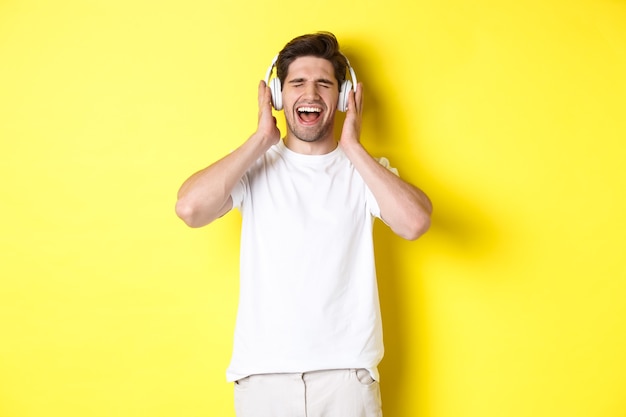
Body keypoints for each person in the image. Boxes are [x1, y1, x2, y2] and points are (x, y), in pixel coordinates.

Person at [175, 32, 432, 417]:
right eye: (297, 83)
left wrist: (355, 148)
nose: (310, 93)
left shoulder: (363, 171)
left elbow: (415, 222)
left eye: (324, 84)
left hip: (346, 381)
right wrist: (261, 138)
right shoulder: (252, 165)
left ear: (344, 97)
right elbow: (190, 208)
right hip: (263, 381)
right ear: (278, 96)